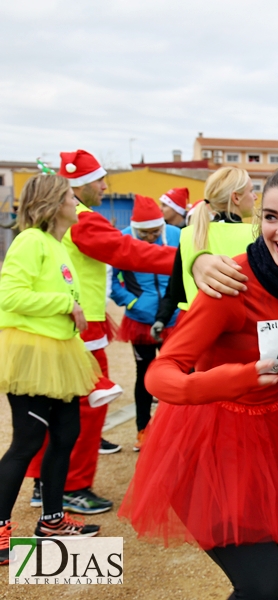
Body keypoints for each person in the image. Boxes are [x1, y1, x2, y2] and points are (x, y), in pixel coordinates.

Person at [119, 157, 278, 600]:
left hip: (272, 440)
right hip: (208, 440)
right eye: (270, 217)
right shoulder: (230, 285)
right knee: (262, 584)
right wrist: (236, 377)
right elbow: (160, 375)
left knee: (271, 579)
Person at [26, 150, 176, 516]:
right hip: (83, 323)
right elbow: (126, 251)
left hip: (69, 321)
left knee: (57, 405)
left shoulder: (64, 218)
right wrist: (185, 259)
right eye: (99, 180)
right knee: (86, 408)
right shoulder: (82, 218)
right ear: (79, 186)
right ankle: (73, 486)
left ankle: (43, 483)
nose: (105, 186)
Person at [0, 174, 102, 566]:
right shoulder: (30, 241)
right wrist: (64, 305)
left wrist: (72, 314)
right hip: (32, 354)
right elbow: (11, 295)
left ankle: (53, 521)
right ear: (54, 203)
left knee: (66, 434)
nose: (77, 202)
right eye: (71, 197)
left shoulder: (57, 245)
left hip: (59, 353)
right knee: (26, 443)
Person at [108, 195, 181, 451]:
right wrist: (131, 303)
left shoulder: (176, 235)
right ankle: (143, 430)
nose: (150, 238)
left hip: (175, 319)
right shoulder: (123, 238)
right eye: (145, 233)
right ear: (135, 229)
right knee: (145, 376)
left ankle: (179, 431)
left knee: (179, 375)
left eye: (154, 232)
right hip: (139, 319)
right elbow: (112, 279)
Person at [151, 167, 256, 340]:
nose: (255, 196)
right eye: (251, 191)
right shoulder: (256, 234)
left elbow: (178, 293)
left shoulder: (188, 234)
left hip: (197, 330)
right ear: (236, 197)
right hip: (242, 331)